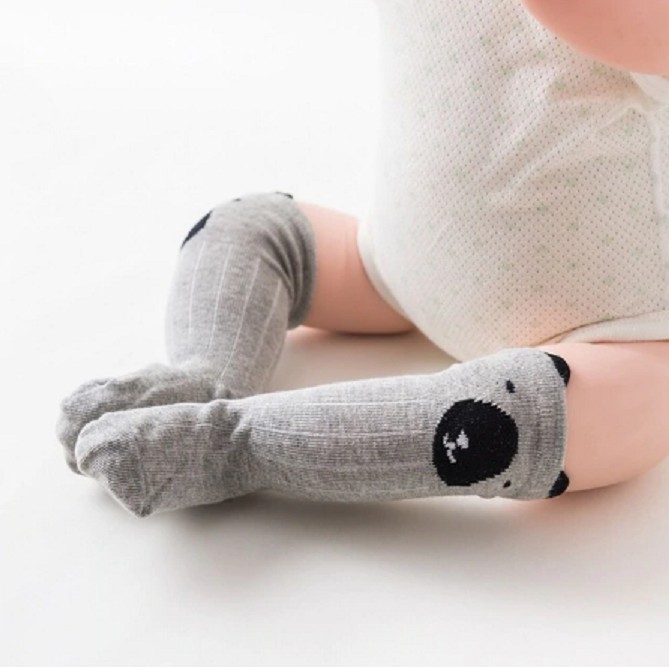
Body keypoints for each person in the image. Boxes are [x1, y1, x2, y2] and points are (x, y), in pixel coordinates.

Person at [56, 0, 669, 518]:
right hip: (394, 263)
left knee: (530, 422)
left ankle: (232, 443)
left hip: (613, 331)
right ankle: (203, 373)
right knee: (253, 227)